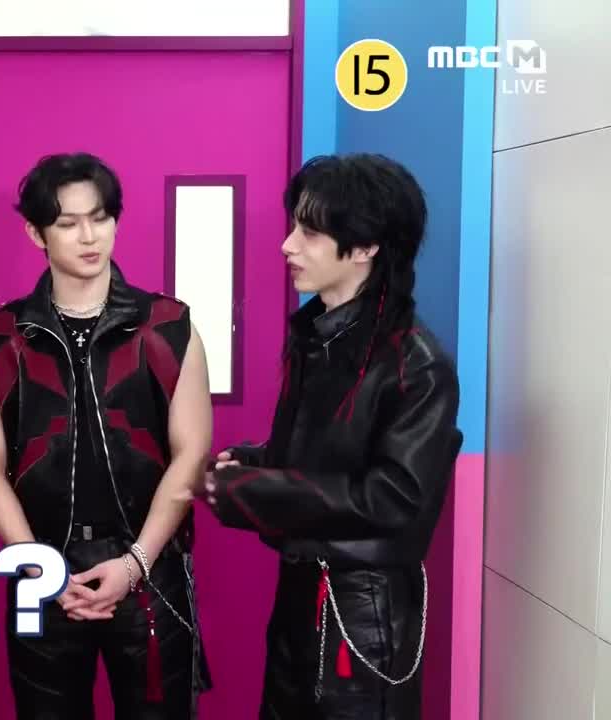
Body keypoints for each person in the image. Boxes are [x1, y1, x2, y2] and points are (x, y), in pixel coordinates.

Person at [198, 153, 463, 719]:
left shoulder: (416, 364)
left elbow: (392, 498)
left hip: (361, 620)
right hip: (300, 602)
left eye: (310, 232)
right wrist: (246, 464)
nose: (287, 245)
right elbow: (322, 460)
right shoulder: (319, 339)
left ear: (365, 247)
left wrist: (250, 490)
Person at [0, 152, 214, 718]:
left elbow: (192, 452)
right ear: (37, 233)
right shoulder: (1, 335)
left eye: (100, 218)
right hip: (41, 567)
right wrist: (38, 567)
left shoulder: (169, 325)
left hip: (149, 567)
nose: (89, 236)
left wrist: (135, 562)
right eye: (68, 223)